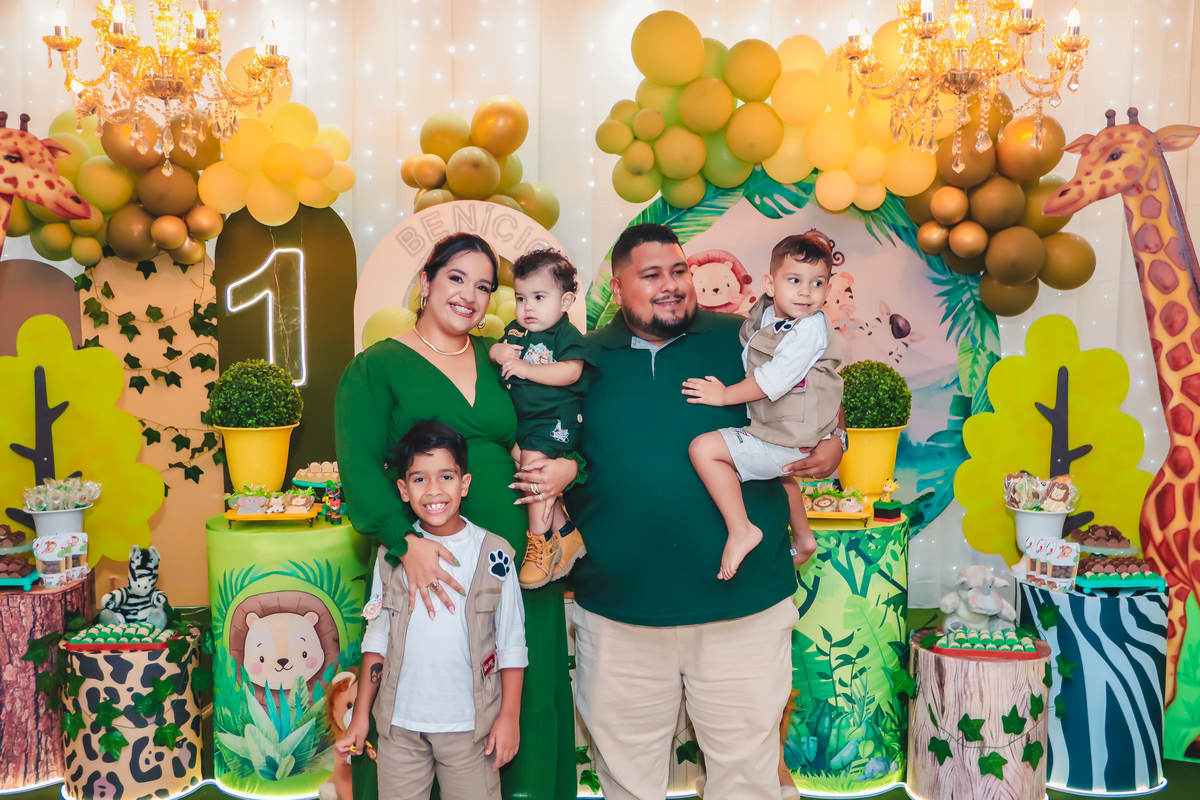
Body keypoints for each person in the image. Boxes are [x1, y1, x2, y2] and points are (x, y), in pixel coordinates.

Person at [543, 223, 845, 800]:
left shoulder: (744, 337)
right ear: (617, 286)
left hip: (742, 610)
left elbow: (818, 391)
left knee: (746, 779)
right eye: (651, 275)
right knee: (628, 782)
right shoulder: (581, 359)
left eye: (678, 270)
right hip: (620, 614)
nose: (671, 285)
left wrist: (837, 440)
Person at [335, 232, 577, 800]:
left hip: (522, 565)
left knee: (523, 697)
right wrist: (405, 544)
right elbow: (360, 468)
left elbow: (555, 419)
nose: (470, 295)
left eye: (484, 286)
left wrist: (569, 467)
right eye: (456, 278)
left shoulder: (502, 358)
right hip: (428, 564)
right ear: (426, 282)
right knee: (419, 697)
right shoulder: (378, 366)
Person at [336, 420, 526, 800]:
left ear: (464, 484)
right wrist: (360, 716)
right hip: (399, 728)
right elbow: (377, 636)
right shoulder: (391, 555)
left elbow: (511, 642)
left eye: (446, 477)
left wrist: (509, 717)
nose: (434, 490)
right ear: (403, 490)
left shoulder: (494, 554)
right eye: (420, 479)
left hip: (471, 729)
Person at [683, 233, 846, 580]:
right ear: (770, 285)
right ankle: (803, 538)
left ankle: (741, 528)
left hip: (789, 435)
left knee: (704, 450)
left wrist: (723, 395)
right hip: (789, 432)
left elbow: (772, 379)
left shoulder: (808, 330)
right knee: (782, 474)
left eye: (817, 283)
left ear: (828, 290)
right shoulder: (769, 315)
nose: (806, 292)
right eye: (794, 280)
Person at [488, 249, 595, 589]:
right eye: (521, 298)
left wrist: (525, 369)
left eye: (538, 297)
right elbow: (497, 351)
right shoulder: (516, 331)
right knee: (523, 465)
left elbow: (570, 372)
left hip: (555, 421)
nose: (527, 308)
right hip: (526, 424)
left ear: (565, 301)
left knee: (533, 466)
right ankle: (565, 531)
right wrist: (497, 351)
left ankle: (540, 541)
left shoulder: (564, 334)